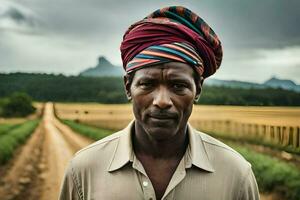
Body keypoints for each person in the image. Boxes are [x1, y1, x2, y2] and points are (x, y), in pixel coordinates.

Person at [59, 6, 259, 200]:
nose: (162, 101)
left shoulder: (236, 175)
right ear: (128, 87)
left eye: (178, 86)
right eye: (147, 84)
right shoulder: (83, 170)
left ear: (198, 89)